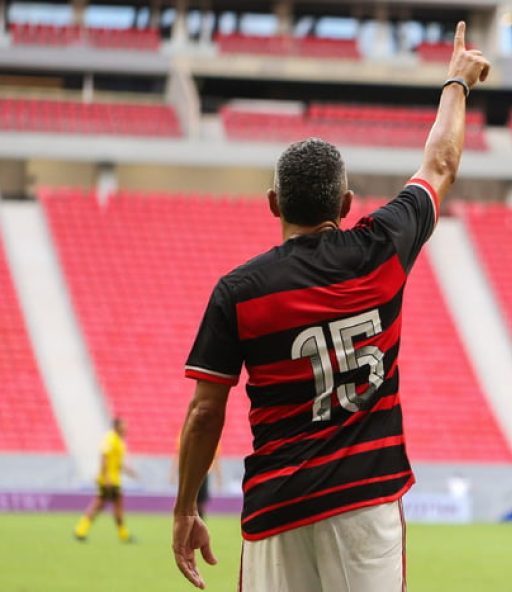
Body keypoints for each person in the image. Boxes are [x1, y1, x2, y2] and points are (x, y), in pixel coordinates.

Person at [171, 21, 490, 591]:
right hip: (366, 502)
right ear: (345, 203)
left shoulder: (239, 291)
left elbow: (203, 413)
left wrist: (185, 509)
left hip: (276, 509)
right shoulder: (382, 248)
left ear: (273, 203)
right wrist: (456, 84)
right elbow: (440, 164)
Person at [73, 417, 137, 542]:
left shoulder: (119, 440)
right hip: (109, 480)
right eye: (124, 425)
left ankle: (81, 530)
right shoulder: (110, 438)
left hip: (114, 480)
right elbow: (104, 457)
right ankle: (123, 535)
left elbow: (116, 462)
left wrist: (128, 470)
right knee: (105, 505)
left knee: (103, 505)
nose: (126, 428)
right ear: (117, 426)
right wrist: (106, 477)